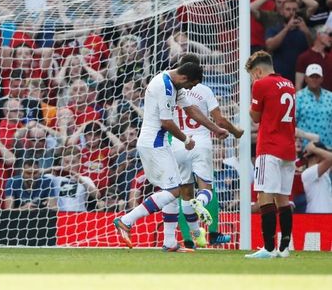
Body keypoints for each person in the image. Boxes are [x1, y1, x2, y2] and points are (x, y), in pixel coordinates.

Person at [113, 61, 228, 251]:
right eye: (190, 85)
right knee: (174, 190)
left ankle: (169, 242)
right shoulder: (164, 86)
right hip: (154, 143)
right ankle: (126, 220)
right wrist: (185, 139)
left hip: (161, 144)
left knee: (176, 190)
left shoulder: (174, 83)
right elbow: (166, 122)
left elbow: (191, 109)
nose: (190, 88)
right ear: (184, 78)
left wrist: (215, 128)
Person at [171, 54, 244, 248]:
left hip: (178, 142)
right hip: (201, 143)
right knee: (206, 188)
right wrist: (236, 131)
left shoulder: (172, 89)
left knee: (184, 192)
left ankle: (188, 239)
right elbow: (219, 121)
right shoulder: (204, 90)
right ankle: (213, 233)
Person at [245, 51, 296, 258]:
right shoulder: (289, 84)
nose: (253, 80)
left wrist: (251, 105)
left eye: (252, 76)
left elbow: (256, 117)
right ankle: (284, 248)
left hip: (269, 147)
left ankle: (268, 248)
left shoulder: (261, 84)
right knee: (283, 199)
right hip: (288, 148)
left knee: (264, 195)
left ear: (258, 71)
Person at [295, 64, 332, 147]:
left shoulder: (330, 96)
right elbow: (293, 123)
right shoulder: (298, 97)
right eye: (312, 76)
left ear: (322, 79)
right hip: (306, 147)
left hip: (328, 146)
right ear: (306, 78)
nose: (314, 79)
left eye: (317, 77)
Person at [301, 142, 332, 213]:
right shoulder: (308, 173)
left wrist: (313, 149)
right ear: (318, 156)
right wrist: (314, 149)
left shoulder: (324, 172)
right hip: (316, 216)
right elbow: (330, 158)